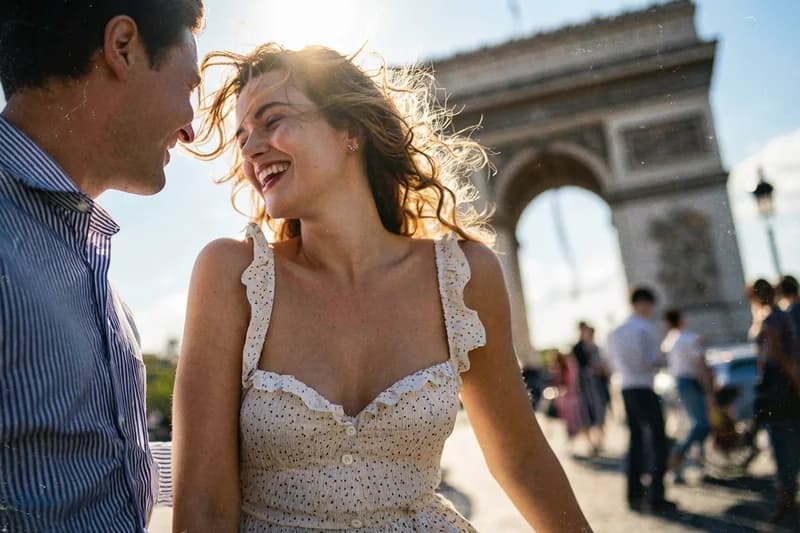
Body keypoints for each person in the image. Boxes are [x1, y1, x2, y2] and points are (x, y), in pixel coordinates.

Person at [171, 44, 591, 532]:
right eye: (243, 137)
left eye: (272, 120)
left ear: (351, 130)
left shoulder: (464, 278)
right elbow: (203, 505)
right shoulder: (233, 276)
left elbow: (522, 458)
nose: (249, 149)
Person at [0, 1, 203, 530]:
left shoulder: (88, 263)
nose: (191, 130)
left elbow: (86, 474)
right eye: (189, 86)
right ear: (122, 48)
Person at [607, 287, 676, 514]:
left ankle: (634, 494)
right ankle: (656, 496)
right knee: (658, 442)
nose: (651, 310)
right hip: (644, 386)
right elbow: (650, 360)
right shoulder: (645, 328)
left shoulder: (615, 331)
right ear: (643, 303)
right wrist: (664, 359)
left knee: (635, 442)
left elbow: (611, 362)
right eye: (650, 305)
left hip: (626, 388)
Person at [748, 279, 800, 525]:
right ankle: (787, 498)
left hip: (779, 388)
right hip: (783, 387)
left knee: (783, 445)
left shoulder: (770, 319)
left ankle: (786, 502)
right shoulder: (780, 316)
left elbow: (780, 356)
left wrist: (797, 384)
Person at [661, 309, 713, 481]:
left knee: (690, 425)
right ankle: (677, 457)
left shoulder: (670, 340)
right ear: (682, 319)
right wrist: (708, 388)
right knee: (701, 425)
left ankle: (691, 465)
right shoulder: (690, 338)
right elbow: (700, 364)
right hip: (690, 382)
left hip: (678, 383)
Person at [570, 322, 607, 455]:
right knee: (585, 415)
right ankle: (590, 445)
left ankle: (599, 443)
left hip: (598, 385)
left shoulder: (596, 348)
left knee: (600, 414)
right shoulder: (578, 348)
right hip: (584, 386)